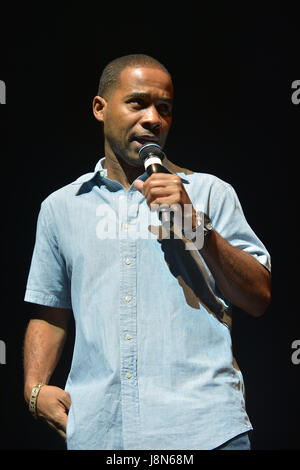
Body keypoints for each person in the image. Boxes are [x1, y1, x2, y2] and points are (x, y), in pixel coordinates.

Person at [23, 54, 271, 450]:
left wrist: (196, 224)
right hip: (99, 432)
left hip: (205, 429)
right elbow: (50, 311)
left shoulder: (210, 193)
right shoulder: (60, 207)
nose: (154, 118)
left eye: (165, 108)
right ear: (100, 108)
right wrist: (35, 389)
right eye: (138, 102)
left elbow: (258, 298)